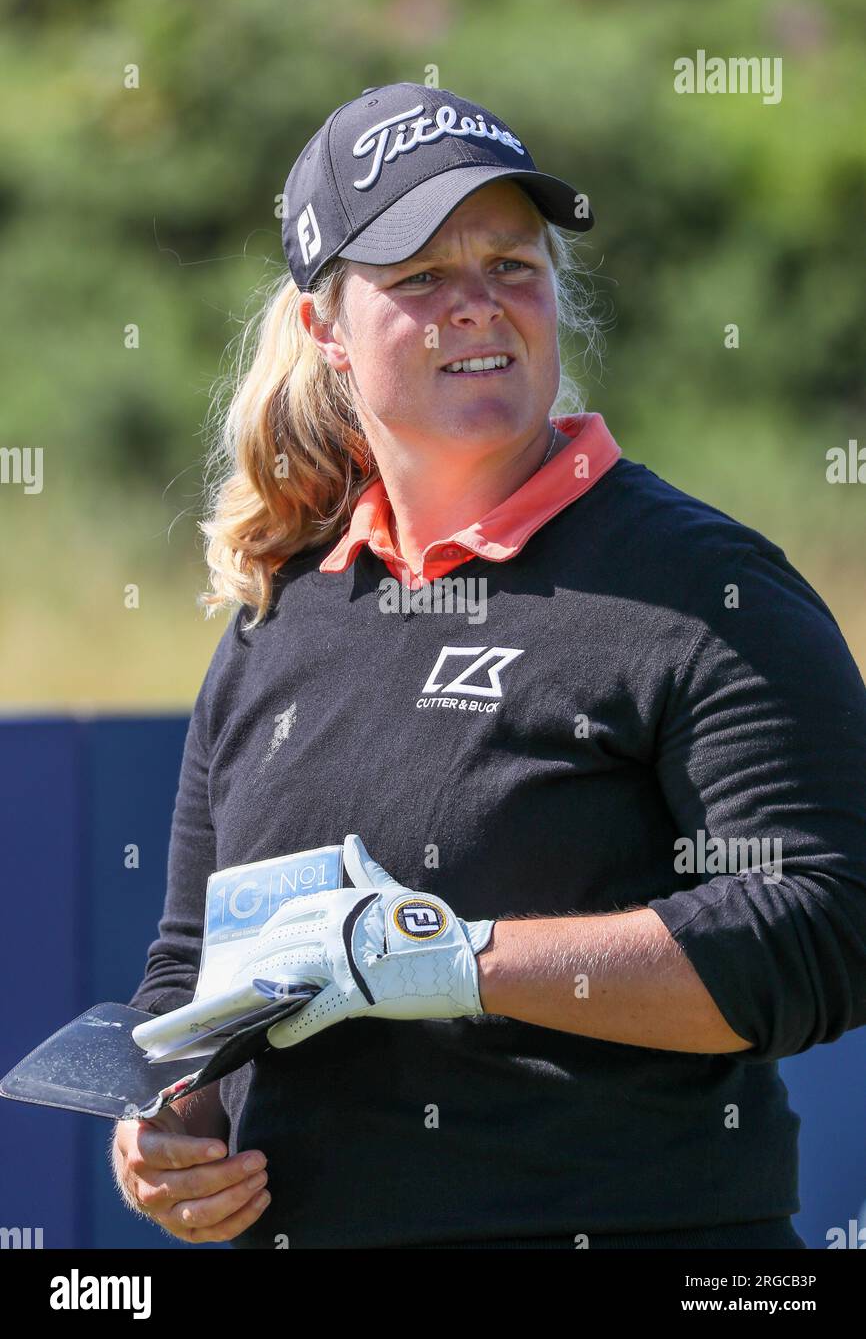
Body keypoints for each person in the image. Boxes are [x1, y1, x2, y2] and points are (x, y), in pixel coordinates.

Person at [111, 82, 866, 1250]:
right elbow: (188, 971)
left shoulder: (706, 588)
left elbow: (818, 927)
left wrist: (461, 962)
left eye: (512, 265)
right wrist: (169, 1130)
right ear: (324, 329)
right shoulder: (282, 614)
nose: (477, 307)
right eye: (418, 280)